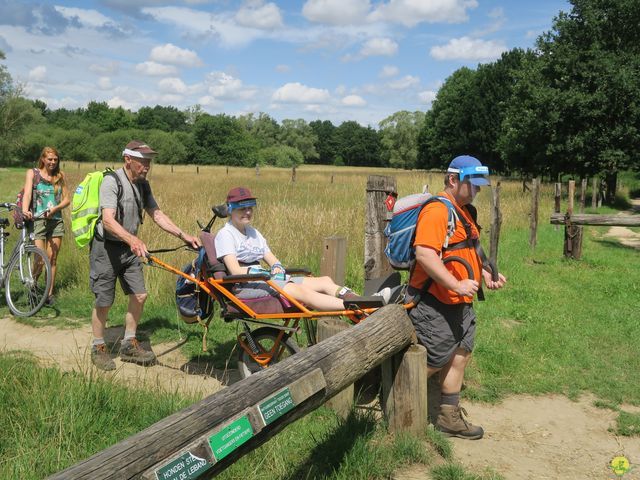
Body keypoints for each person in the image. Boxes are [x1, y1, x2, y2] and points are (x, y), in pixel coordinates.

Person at [408, 155, 507, 440]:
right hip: (433, 301)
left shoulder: (463, 210)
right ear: (453, 180)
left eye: (479, 185)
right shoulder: (438, 211)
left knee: (460, 354)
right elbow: (425, 255)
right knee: (433, 360)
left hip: (459, 301)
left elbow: (465, 250)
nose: (477, 190)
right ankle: (392, 402)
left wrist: (485, 275)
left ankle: (449, 418)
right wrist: (455, 284)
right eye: (472, 184)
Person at [89, 140, 200, 371]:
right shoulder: (112, 181)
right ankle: (98, 347)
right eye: (142, 161)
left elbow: (156, 214)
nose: (147, 166)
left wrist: (183, 235)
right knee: (104, 301)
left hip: (130, 249)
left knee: (139, 295)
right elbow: (108, 221)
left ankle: (129, 343)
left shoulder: (143, 185)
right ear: (128, 159)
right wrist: (132, 239)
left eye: (149, 161)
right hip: (106, 249)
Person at [214, 186, 363, 311]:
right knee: (302, 291)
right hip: (246, 284)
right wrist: (265, 273)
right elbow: (235, 270)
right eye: (242, 208)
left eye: (250, 208)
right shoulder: (226, 234)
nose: (247, 212)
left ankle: (362, 300)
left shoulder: (253, 232)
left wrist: (277, 268)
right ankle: (356, 308)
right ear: (230, 210)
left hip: (265, 278)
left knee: (325, 280)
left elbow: (272, 260)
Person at [21, 146, 70, 306]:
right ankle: (33, 286)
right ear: (43, 159)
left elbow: (66, 199)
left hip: (55, 220)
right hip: (38, 220)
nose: (53, 162)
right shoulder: (33, 173)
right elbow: (27, 193)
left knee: (52, 258)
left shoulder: (60, 176)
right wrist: (24, 210)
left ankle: (49, 294)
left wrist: (56, 208)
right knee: (40, 258)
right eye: (50, 159)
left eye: (55, 159)